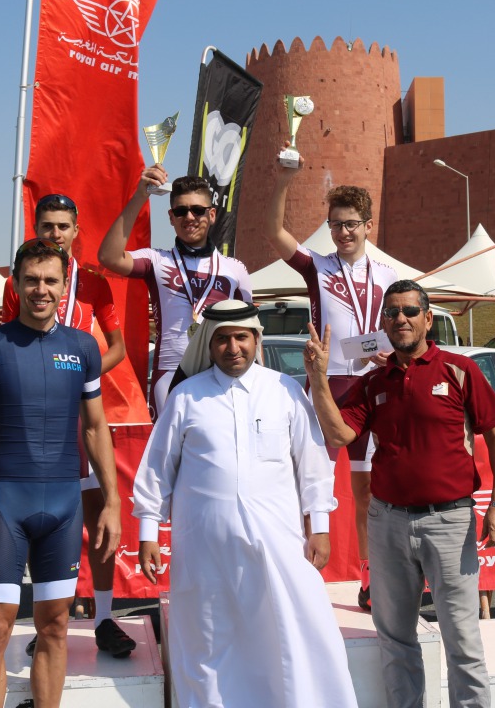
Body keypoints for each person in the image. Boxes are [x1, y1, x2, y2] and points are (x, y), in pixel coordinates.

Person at [132, 300, 358, 708]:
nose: (232, 347)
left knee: (290, 632)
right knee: (208, 640)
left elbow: (311, 463)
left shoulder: (285, 390)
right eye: (222, 339)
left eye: (241, 337)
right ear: (210, 344)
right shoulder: (186, 397)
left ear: (257, 339)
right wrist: (148, 532)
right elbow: (156, 470)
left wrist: (319, 526)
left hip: (278, 541)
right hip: (204, 547)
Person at [304, 280, 495, 708]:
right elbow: (339, 434)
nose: (400, 318)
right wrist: (318, 379)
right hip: (388, 523)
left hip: (451, 521)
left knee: (463, 641)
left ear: (427, 319)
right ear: (384, 323)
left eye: (409, 311)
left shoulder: (459, 370)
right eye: (392, 312)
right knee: (396, 639)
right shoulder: (375, 381)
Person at [0, 239, 122, 708]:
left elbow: (96, 427)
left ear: (64, 287)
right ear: (16, 284)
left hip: (62, 503)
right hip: (6, 501)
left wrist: (114, 503)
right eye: (32, 279)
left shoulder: (82, 348)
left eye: (50, 280)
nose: (41, 289)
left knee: (56, 625)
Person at [1, 193, 135, 658]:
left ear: (76, 230)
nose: (54, 233)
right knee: (44, 521)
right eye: (46, 225)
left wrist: (84, 376)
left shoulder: (95, 284)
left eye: (62, 226)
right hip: (37, 420)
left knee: (98, 515)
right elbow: (8, 346)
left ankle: (102, 618)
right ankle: (48, 620)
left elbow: (117, 346)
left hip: (82, 415)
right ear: (35, 227)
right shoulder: (20, 282)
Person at [266, 161, 398, 611]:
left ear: (368, 225)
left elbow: (405, 329)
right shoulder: (317, 267)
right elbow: (274, 234)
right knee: (310, 485)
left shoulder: (385, 275)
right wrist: (284, 182)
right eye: (336, 225)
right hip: (327, 387)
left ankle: (369, 580)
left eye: (351, 225)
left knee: (366, 492)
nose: (343, 233)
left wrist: (392, 356)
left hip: (373, 386)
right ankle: (303, 575)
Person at [98, 166, 251, 417]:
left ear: (212, 215)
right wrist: (140, 195)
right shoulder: (156, 261)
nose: (189, 217)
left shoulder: (235, 269)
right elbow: (108, 256)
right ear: (171, 217)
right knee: (172, 454)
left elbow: (252, 332)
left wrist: (257, 376)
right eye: (181, 211)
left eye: (198, 210)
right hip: (170, 371)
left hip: (222, 370)